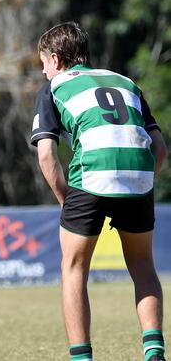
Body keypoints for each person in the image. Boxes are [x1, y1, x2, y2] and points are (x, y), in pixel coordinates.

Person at [30, 22, 167, 361]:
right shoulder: (126, 82)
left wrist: (68, 202)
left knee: (74, 268)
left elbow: (46, 154)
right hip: (139, 172)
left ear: (56, 59)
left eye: (43, 63)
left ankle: (81, 356)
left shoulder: (54, 87)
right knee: (143, 264)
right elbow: (160, 148)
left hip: (91, 175)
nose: (43, 71)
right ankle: (154, 350)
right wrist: (142, 182)